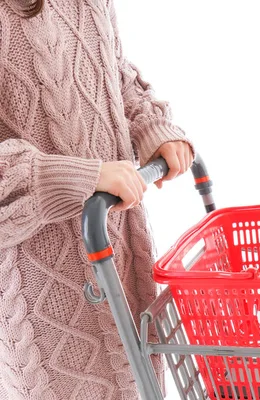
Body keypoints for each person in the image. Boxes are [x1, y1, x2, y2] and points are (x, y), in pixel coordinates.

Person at [0, 0, 194, 398]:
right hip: (44, 295)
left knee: (138, 380)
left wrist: (151, 124)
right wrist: (73, 177)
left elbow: (112, 73)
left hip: (122, 258)